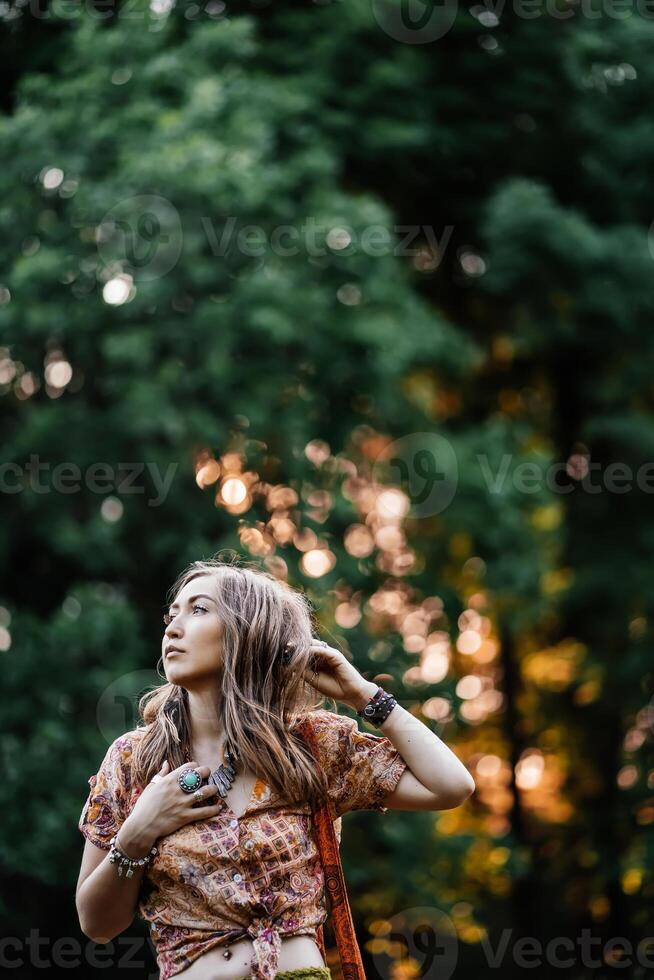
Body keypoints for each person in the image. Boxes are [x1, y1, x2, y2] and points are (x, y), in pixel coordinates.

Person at [75, 556, 475, 979]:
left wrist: (364, 696)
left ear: (251, 632)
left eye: (198, 610)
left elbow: (451, 786)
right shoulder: (134, 760)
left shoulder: (309, 747)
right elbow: (97, 925)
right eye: (172, 615)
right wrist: (139, 831)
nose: (172, 628)